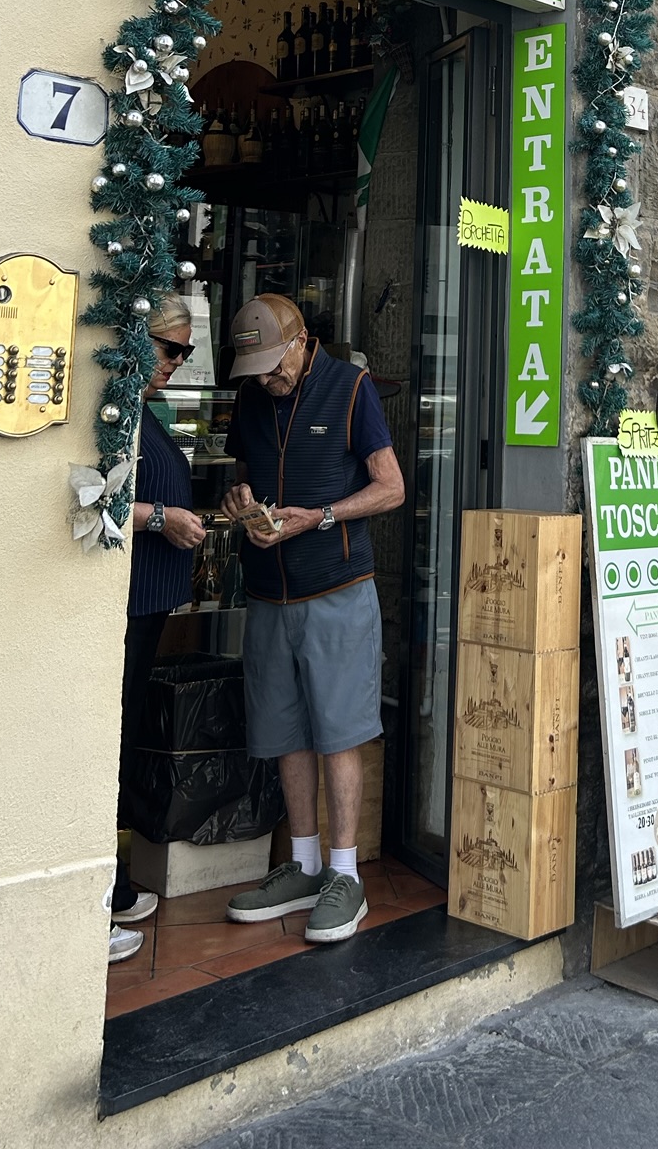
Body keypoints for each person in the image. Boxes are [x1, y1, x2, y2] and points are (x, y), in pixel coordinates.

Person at [219, 293, 404, 945]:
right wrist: (240, 501)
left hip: (337, 589)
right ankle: (301, 865)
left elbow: (391, 487)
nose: (267, 380)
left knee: (339, 732)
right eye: (256, 371)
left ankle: (345, 875)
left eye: (274, 366)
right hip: (268, 592)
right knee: (285, 731)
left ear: (300, 343)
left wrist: (321, 517)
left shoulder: (350, 388)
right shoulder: (252, 397)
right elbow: (244, 474)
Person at [110, 296, 206, 962]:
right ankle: (99, 896)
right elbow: (92, 495)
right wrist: (162, 518)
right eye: (170, 348)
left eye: (186, 352)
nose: (177, 362)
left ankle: (112, 885)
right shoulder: (116, 404)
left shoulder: (144, 406)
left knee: (122, 734)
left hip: (144, 604)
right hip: (126, 604)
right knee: (109, 740)